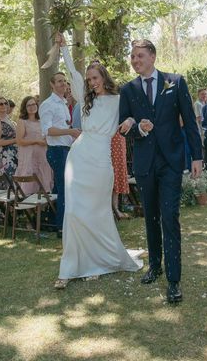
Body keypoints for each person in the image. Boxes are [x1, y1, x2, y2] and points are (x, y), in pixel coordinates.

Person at [55, 34, 142, 289]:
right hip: (78, 158)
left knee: (98, 211)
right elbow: (72, 72)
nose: (92, 82)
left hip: (102, 160)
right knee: (73, 212)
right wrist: (63, 48)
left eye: (95, 77)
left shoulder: (118, 99)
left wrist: (131, 121)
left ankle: (97, 262)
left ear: (104, 77)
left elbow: (137, 114)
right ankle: (69, 268)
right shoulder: (85, 100)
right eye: (89, 79)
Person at [119, 39, 203, 304]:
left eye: (140, 56)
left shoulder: (175, 82)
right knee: (151, 217)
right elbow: (123, 127)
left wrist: (197, 156)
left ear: (153, 57)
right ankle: (154, 265)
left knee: (170, 216)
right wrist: (139, 128)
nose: (135, 60)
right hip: (144, 164)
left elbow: (189, 120)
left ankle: (174, 280)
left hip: (171, 162)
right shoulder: (128, 89)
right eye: (132, 57)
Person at [40, 71, 81, 237]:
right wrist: (70, 131)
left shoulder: (63, 103)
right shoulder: (48, 104)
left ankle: (52, 220)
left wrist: (70, 130)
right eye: (59, 81)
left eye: (64, 81)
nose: (63, 84)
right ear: (52, 84)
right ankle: (62, 228)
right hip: (56, 151)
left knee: (60, 188)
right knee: (65, 188)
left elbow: (63, 125)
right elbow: (47, 130)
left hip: (66, 149)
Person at [15, 96, 53, 196]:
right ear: (25, 108)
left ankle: (42, 209)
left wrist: (46, 141)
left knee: (43, 184)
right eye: (29, 105)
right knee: (29, 185)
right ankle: (27, 207)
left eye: (34, 104)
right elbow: (19, 141)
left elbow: (47, 136)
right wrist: (36, 141)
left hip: (42, 156)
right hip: (29, 157)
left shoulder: (42, 121)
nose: (32, 107)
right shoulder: (22, 121)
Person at [0, 97, 18, 178]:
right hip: (5, 156)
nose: (4, 105)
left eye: (5, 103)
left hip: (15, 153)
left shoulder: (10, 120)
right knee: (8, 182)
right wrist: (15, 140)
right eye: (1, 104)